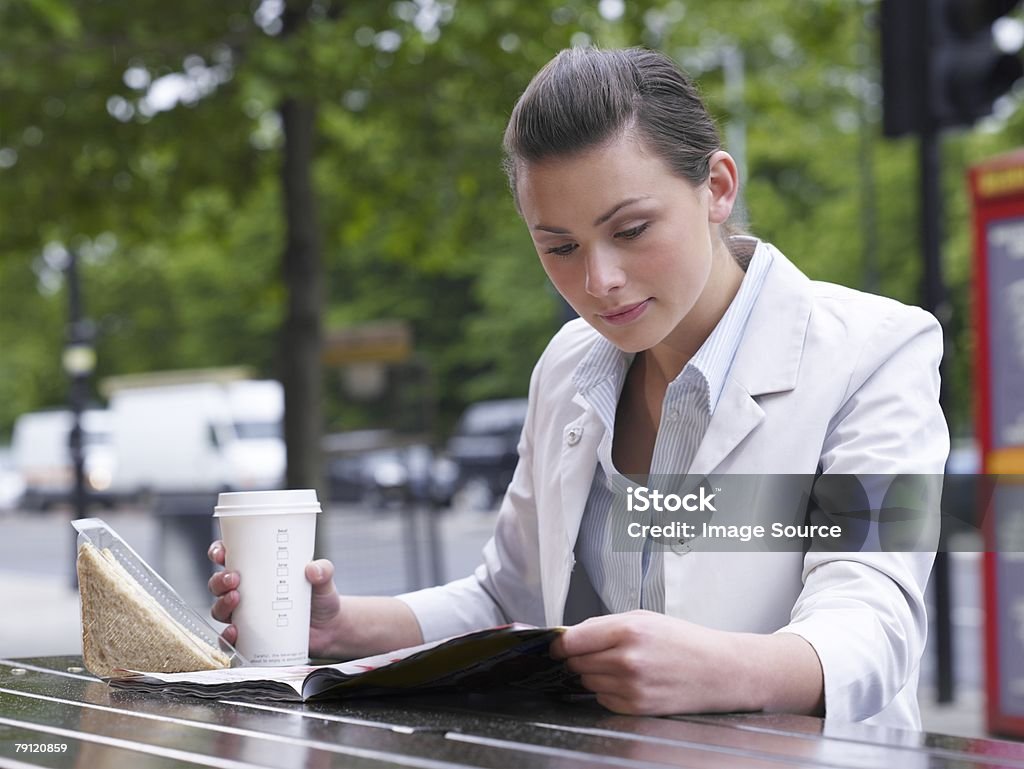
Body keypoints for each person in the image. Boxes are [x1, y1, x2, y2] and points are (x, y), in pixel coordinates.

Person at [209, 47, 948, 728]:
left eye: (629, 229)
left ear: (717, 187)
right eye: (558, 246)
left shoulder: (876, 351)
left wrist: (723, 667)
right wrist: (345, 626)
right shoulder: (568, 365)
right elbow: (509, 598)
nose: (598, 282)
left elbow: (873, 621)